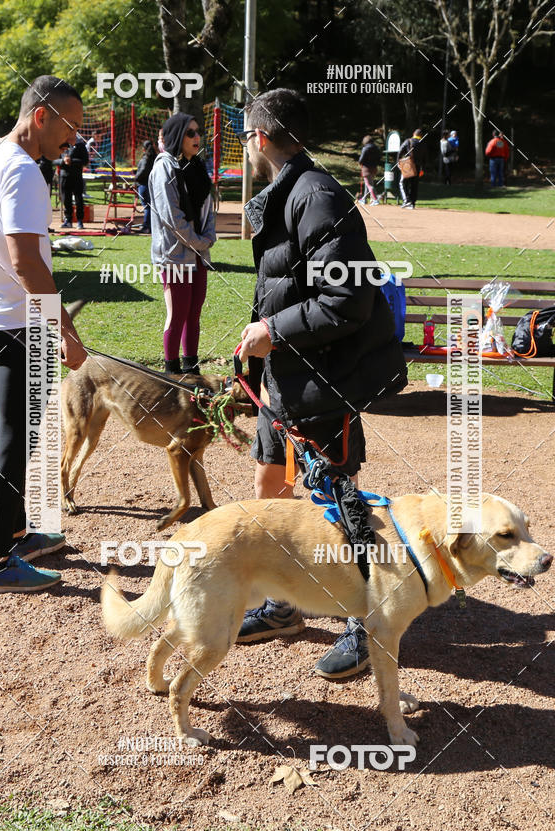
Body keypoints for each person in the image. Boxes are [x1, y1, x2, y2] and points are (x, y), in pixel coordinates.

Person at [236, 88, 407, 679]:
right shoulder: (286, 193)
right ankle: (285, 603)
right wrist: (264, 341)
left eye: (245, 136)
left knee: (335, 499)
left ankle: (370, 620)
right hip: (283, 378)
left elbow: (349, 301)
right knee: (271, 486)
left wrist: (273, 331)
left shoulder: (319, 197)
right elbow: (289, 283)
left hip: (323, 380)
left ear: (260, 138)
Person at [0, 75, 87, 594]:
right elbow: (27, 261)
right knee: (19, 439)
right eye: (70, 126)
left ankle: (17, 534)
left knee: (20, 432)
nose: (73, 139)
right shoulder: (25, 172)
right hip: (13, 325)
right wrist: (66, 332)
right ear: (41, 116)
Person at [148, 113, 215, 374]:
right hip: (175, 255)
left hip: (199, 252)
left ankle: (191, 370)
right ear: (177, 136)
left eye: (198, 132)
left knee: (194, 314)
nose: (197, 137)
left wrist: (207, 238)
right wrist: (198, 241)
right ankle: (171, 373)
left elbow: (209, 209)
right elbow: (171, 217)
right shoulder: (163, 167)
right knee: (177, 315)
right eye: (190, 133)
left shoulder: (196, 166)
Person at [59, 134, 88, 229]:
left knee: (79, 199)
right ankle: (68, 220)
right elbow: (53, 160)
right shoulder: (59, 143)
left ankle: (80, 221)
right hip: (64, 176)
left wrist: (72, 161)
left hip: (77, 176)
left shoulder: (80, 145)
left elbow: (85, 161)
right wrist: (62, 161)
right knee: (66, 199)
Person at [398, 128, 425, 209]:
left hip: (409, 165)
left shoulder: (408, 141)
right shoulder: (422, 143)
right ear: (421, 135)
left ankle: (406, 200)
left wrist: (399, 162)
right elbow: (425, 156)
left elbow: (400, 151)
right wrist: (423, 168)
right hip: (418, 166)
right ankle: (412, 203)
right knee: (414, 185)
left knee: (403, 182)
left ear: (414, 134)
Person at [135, 140, 156, 234]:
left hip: (143, 185)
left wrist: (136, 178)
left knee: (147, 206)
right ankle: (151, 226)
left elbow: (143, 170)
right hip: (152, 184)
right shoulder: (154, 158)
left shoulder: (146, 158)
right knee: (151, 206)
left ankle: (146, 226)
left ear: (143, 149)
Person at [358, 135, 381, 206]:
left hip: (366, 168)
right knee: (368, 184)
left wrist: (360, 163)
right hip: (374, 168)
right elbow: (379, 158)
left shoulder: (365, 148)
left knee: (369, 184)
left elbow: (361, 160)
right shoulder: (377, 148)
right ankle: (364, 199)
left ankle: (375, 199)